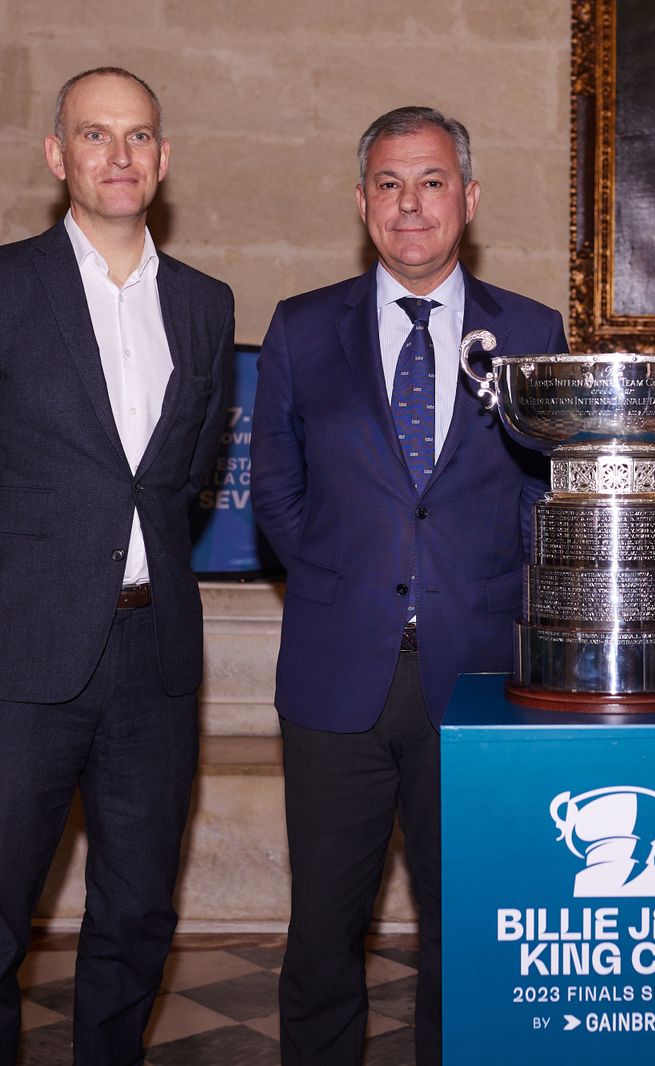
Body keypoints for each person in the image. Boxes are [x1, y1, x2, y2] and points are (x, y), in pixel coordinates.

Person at [0, 67, 233, 1065]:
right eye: (95, 135)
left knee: (136, 918)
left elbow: (181, 476)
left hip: (154, 660)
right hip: (18, 654)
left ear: (162, 160)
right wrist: (2, 570)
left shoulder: (205, 305)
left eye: (137, 138)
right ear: (58, 156)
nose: (118, 156)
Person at [250, 106, 566, 1066]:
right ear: (361, 203)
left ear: (468, 199)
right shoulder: (303, 330)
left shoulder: (532, 330)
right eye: (388, 184)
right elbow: (276, 492)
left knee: (470, 935)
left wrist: (488, 589)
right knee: (320, 941)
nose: (410, 204)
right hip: (337, 677)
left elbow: (548, 494)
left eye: (431, 182)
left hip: (479, 677)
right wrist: (356, 579)